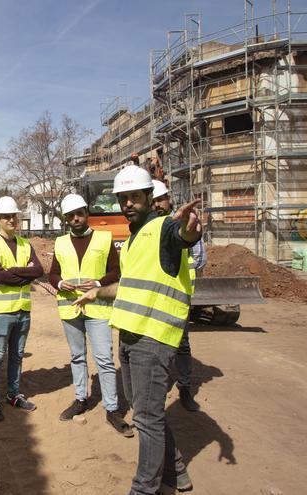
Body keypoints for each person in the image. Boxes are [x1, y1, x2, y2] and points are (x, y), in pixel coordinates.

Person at [76, 165, 201, 494]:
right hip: (129, 335)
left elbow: (183, 237)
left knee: (146, 418)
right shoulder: (132, 242)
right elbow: (126, 287)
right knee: (149, 413)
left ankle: (144, 488)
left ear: (149, 197)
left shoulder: (163, 228)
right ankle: (176, 473)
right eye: (123, 198)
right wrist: (97, 292)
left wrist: (190, 231)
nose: (128, 203)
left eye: (135, 196)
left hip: (153, 338)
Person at [49, 193, 133, 437]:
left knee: (104, 359)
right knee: (77, 357)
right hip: (70, 307)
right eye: (70, 215)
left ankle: (112, 408)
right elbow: (52, 274)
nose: (76, 218)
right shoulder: (60, 242)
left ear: (86, 213)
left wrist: (97, 282)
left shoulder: (104, 238)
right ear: (66, 219)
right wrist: (60, 283)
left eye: (79, 213)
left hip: (97, 308)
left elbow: (115, 272)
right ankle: (80, 399)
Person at [0, 196, 43, 422]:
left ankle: (14, 395)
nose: (11, 220)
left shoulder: (26, 244)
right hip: (0, 312)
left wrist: (14, 271)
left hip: (23, 311)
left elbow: (39, 271)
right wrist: (24, 273)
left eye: (14, 216)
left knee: (16, 355)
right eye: (6, 216)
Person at [152, 180, 206, 412]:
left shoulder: (183, 223)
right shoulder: (148, 228)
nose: (157, 204)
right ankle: (158, 385)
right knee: (154, 344)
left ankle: (184, 387)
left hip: (177, 296)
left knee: (181, 344)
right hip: (152, 296)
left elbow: (199, 256)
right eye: (152, 200)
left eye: (160, 199)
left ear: (169, 199)